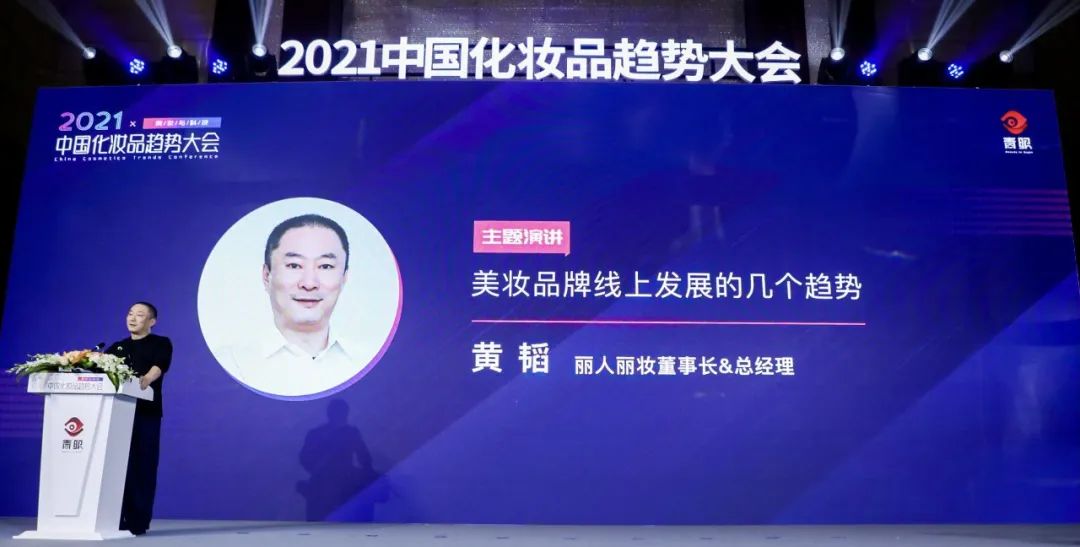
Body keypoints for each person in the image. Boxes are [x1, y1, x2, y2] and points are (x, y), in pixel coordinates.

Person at [219, 214, 362, 396]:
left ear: (344, 278)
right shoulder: (230, 363)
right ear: (267, 276)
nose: (309, 283)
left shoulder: (365, 363)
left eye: (325, 266)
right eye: (294, 265)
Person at [105, 302, 172, 536]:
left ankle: (137, 520)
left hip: (146, 413)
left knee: (142, 466)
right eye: (130, 314)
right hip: (116, 413)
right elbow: (101, 370)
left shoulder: (161, 343)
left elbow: (159, 367)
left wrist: (146, 379)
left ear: (152, 321)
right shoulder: (117, 347)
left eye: (140, 315)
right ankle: (113, 517)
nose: (132, 318)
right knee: (116, 466)